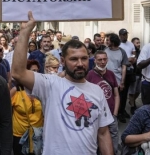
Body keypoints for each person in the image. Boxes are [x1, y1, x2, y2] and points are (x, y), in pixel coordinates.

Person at [12, 11, 114, 155]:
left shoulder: (97, 91)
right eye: (74, 59)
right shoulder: (50, 85)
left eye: (84, 58)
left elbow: (103, 133)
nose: (80, 64)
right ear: (62, 61)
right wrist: (24, 32)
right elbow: (18, 73)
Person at [86, 50, 120, 154]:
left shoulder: (111, 74)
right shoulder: (89, 75)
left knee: (114, 139)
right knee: (96, 140)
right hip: (96, 115)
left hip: (111, 114)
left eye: (104, 59)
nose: (102, 62)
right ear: (95, 60)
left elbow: (116, 94)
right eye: (100, 59)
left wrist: (115, 113)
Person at [11, 60, 44, 155]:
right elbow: (4, 109)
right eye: (33, 71)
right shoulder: (16, 91)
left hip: (37, 135)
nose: (36, 74)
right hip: (19, 136)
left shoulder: (42, 90)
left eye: (38, 71)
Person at [105, 33, 129, 123]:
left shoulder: (122, 52)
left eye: (108, 40)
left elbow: (124, 67)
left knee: (119, 98)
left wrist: (122, 82)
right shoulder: (105, 50)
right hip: (106, 80)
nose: (106, 41)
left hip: (117, 80)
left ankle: (118, 114)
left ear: (113, 41)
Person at [128, 37, 141, 114]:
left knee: (138, 90)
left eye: (139, 42)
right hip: (133, 73)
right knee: (132, 91)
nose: (138, 44)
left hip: (140, 74)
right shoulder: (131, 52)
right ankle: (132, 106)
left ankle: (131, 101)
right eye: (137, 43)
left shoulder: (140, 51)